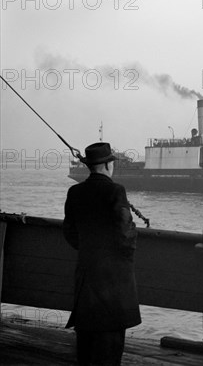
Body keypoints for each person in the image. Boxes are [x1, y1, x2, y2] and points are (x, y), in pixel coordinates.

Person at [63, 142, 141, 365]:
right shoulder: (116, 191)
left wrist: (90, 250)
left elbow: (69, 232)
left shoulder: (75, 191)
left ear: (90, 166)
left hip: (86, 276)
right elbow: (126, 233)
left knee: (86, 344)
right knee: (110, 345)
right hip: (113, 281)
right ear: (108, 165)